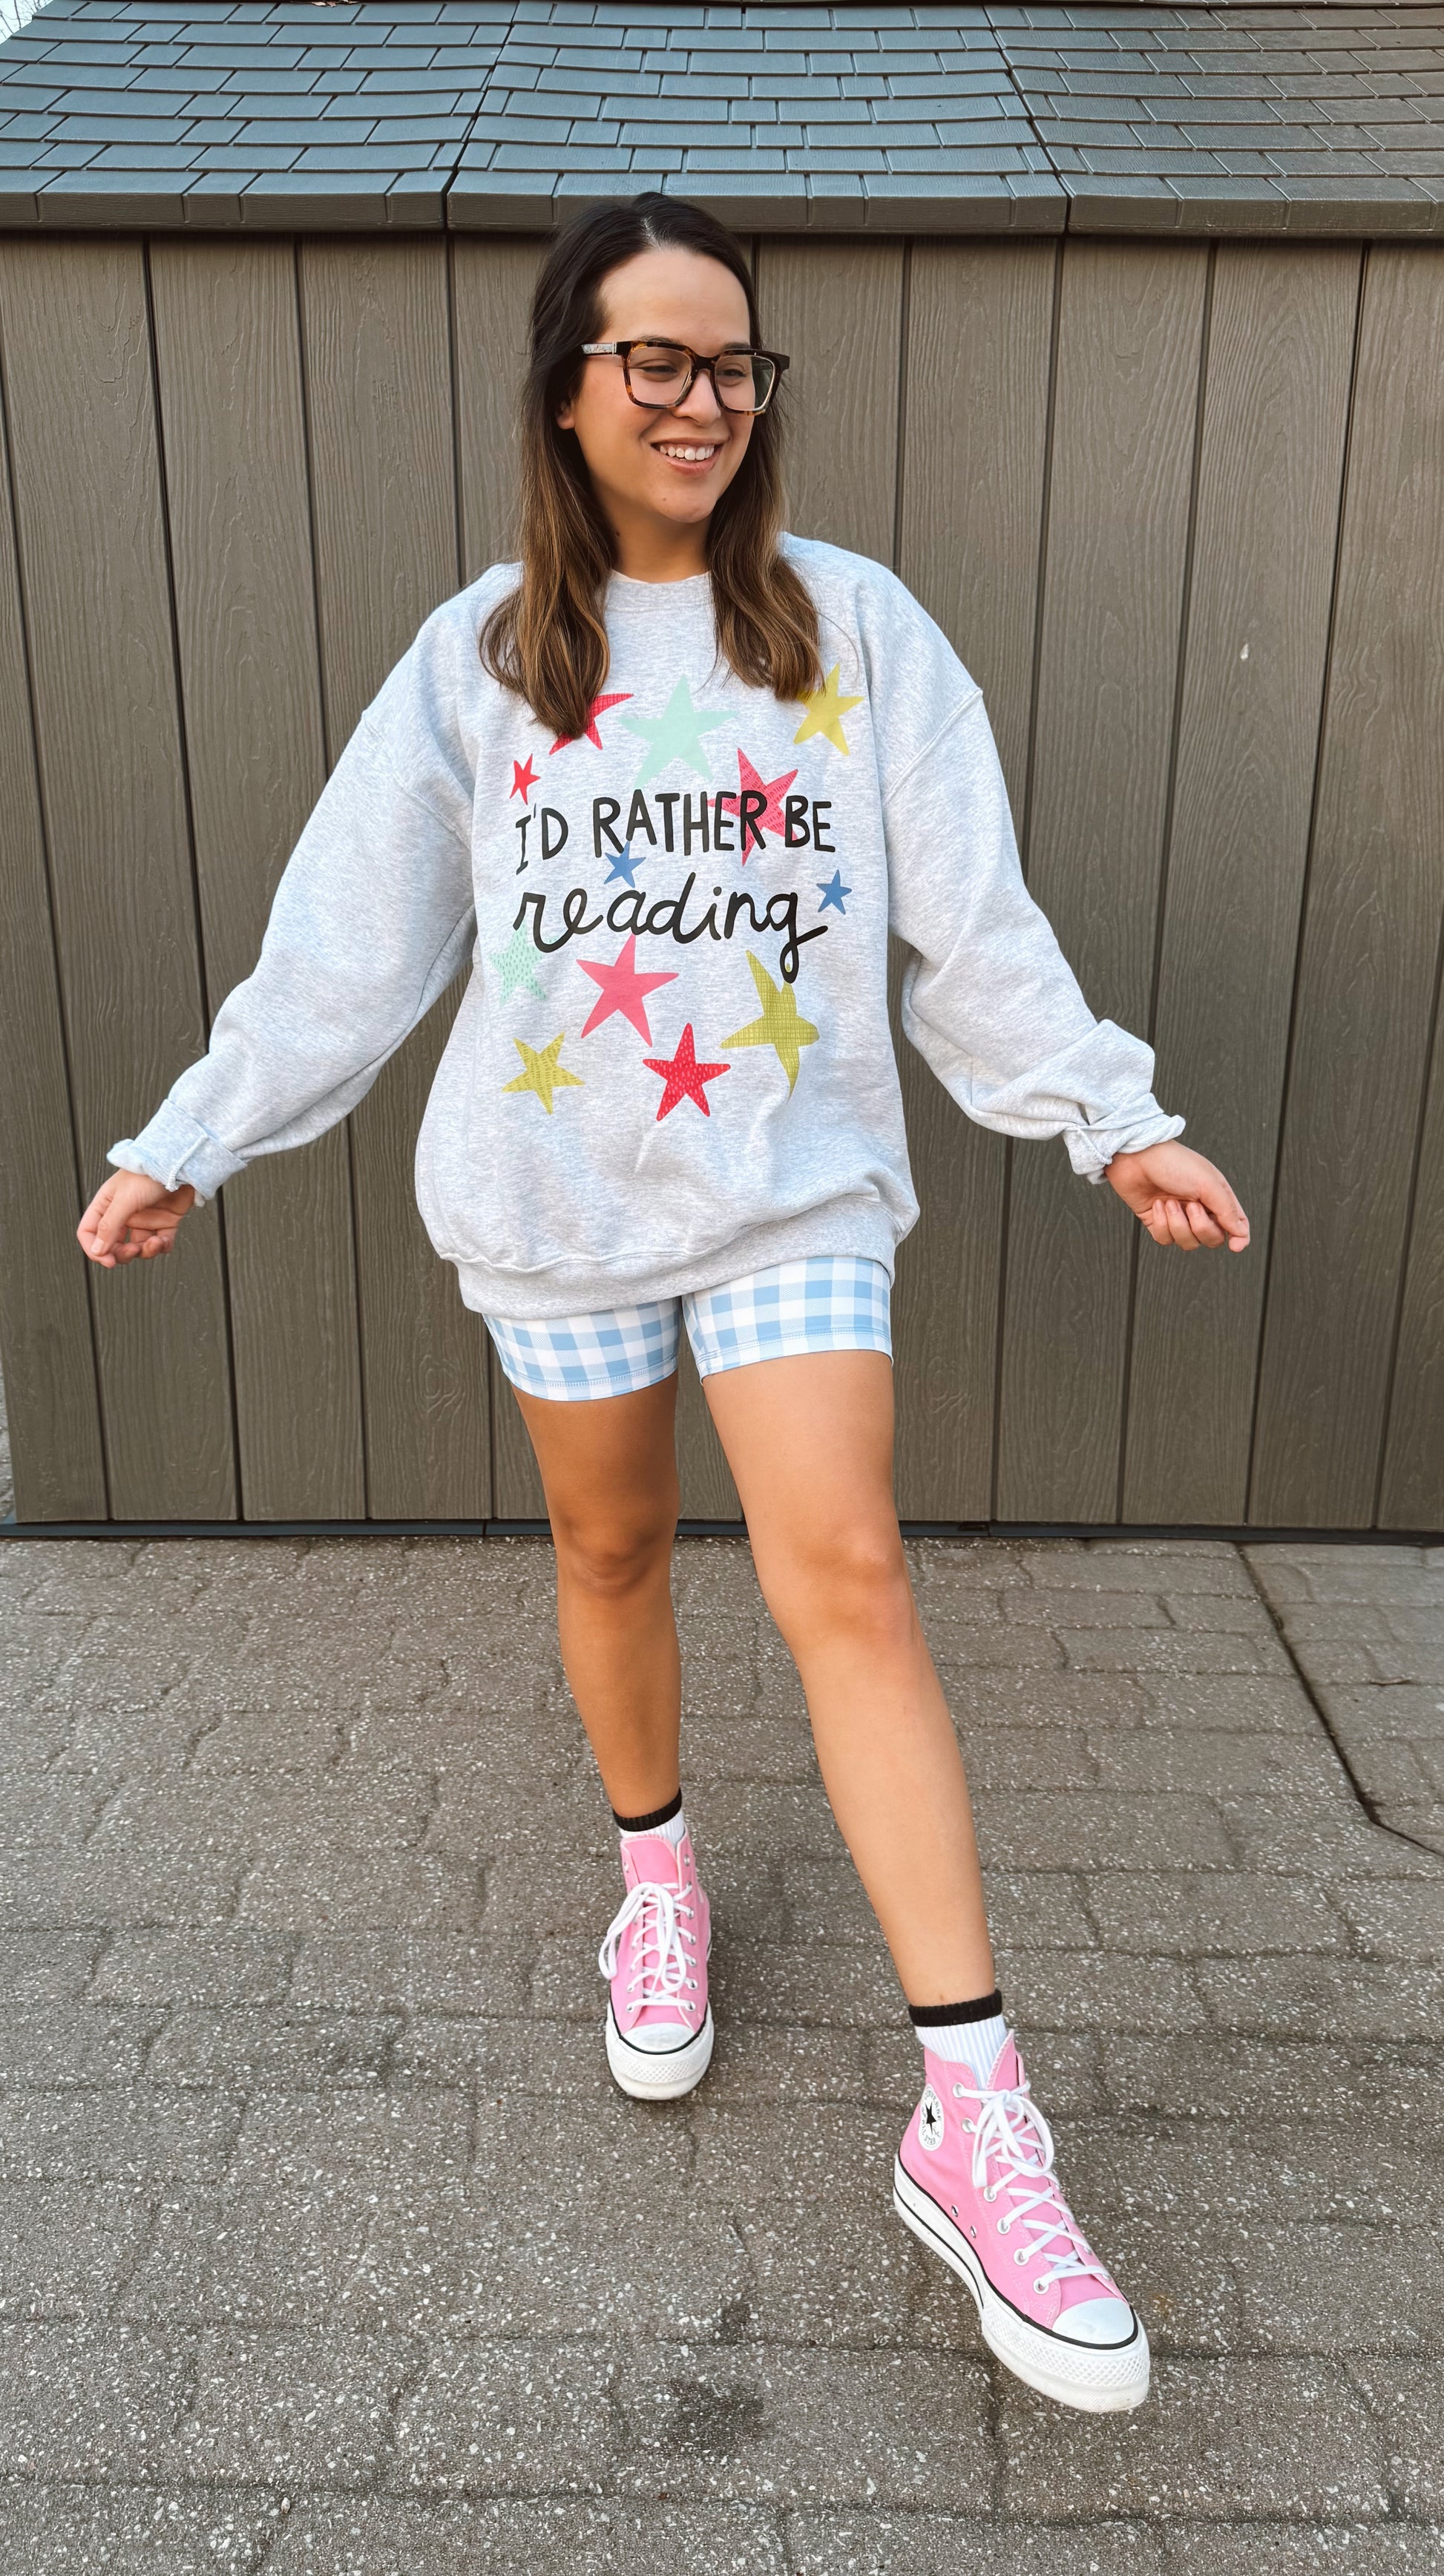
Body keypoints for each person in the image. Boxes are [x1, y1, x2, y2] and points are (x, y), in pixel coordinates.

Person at [79, 193, 1249, 2416]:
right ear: (567, 388)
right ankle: (660, 1878)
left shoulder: (851, 629)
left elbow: (973, 924)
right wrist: (192, 1138)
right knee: (609, 1548)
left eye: (734, 364)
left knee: (847, 1568)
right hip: (552, 1211)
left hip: (796, 1194)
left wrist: (1106, 1117)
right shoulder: (478, 658)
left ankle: (973, 2111)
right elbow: (348, 944)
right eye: (659, 362)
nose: (706, 401)